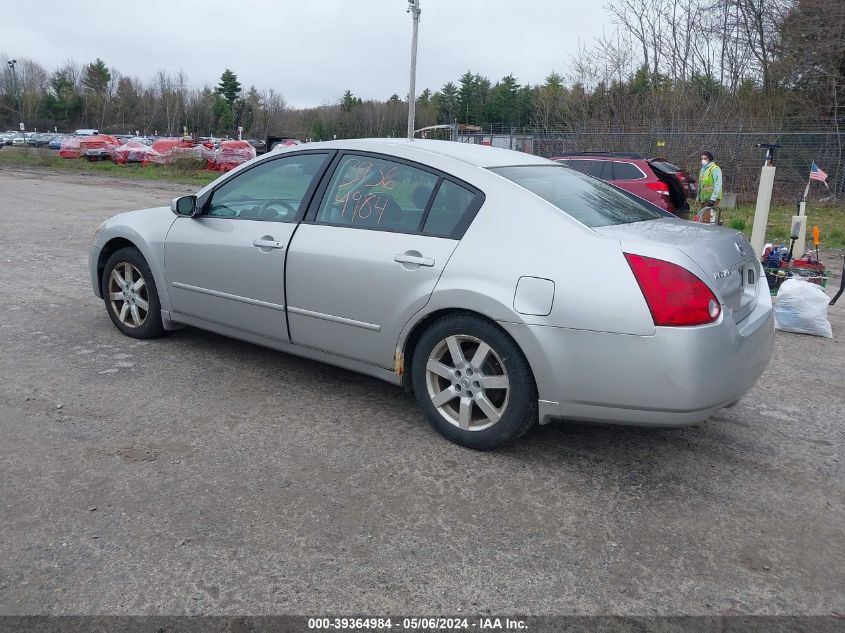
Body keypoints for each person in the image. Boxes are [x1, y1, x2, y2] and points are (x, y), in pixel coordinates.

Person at [696, 150, 723, 224]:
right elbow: (701, 185)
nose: (703, 160)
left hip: (711, 199)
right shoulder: (703, 170)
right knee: (702, 220)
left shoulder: (715, 169)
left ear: (710, 159)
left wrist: (713, 199)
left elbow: (718, 184)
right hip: (704, 199)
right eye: (702, 159)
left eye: (705, 158)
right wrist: (698, 198)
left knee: (707, 220)